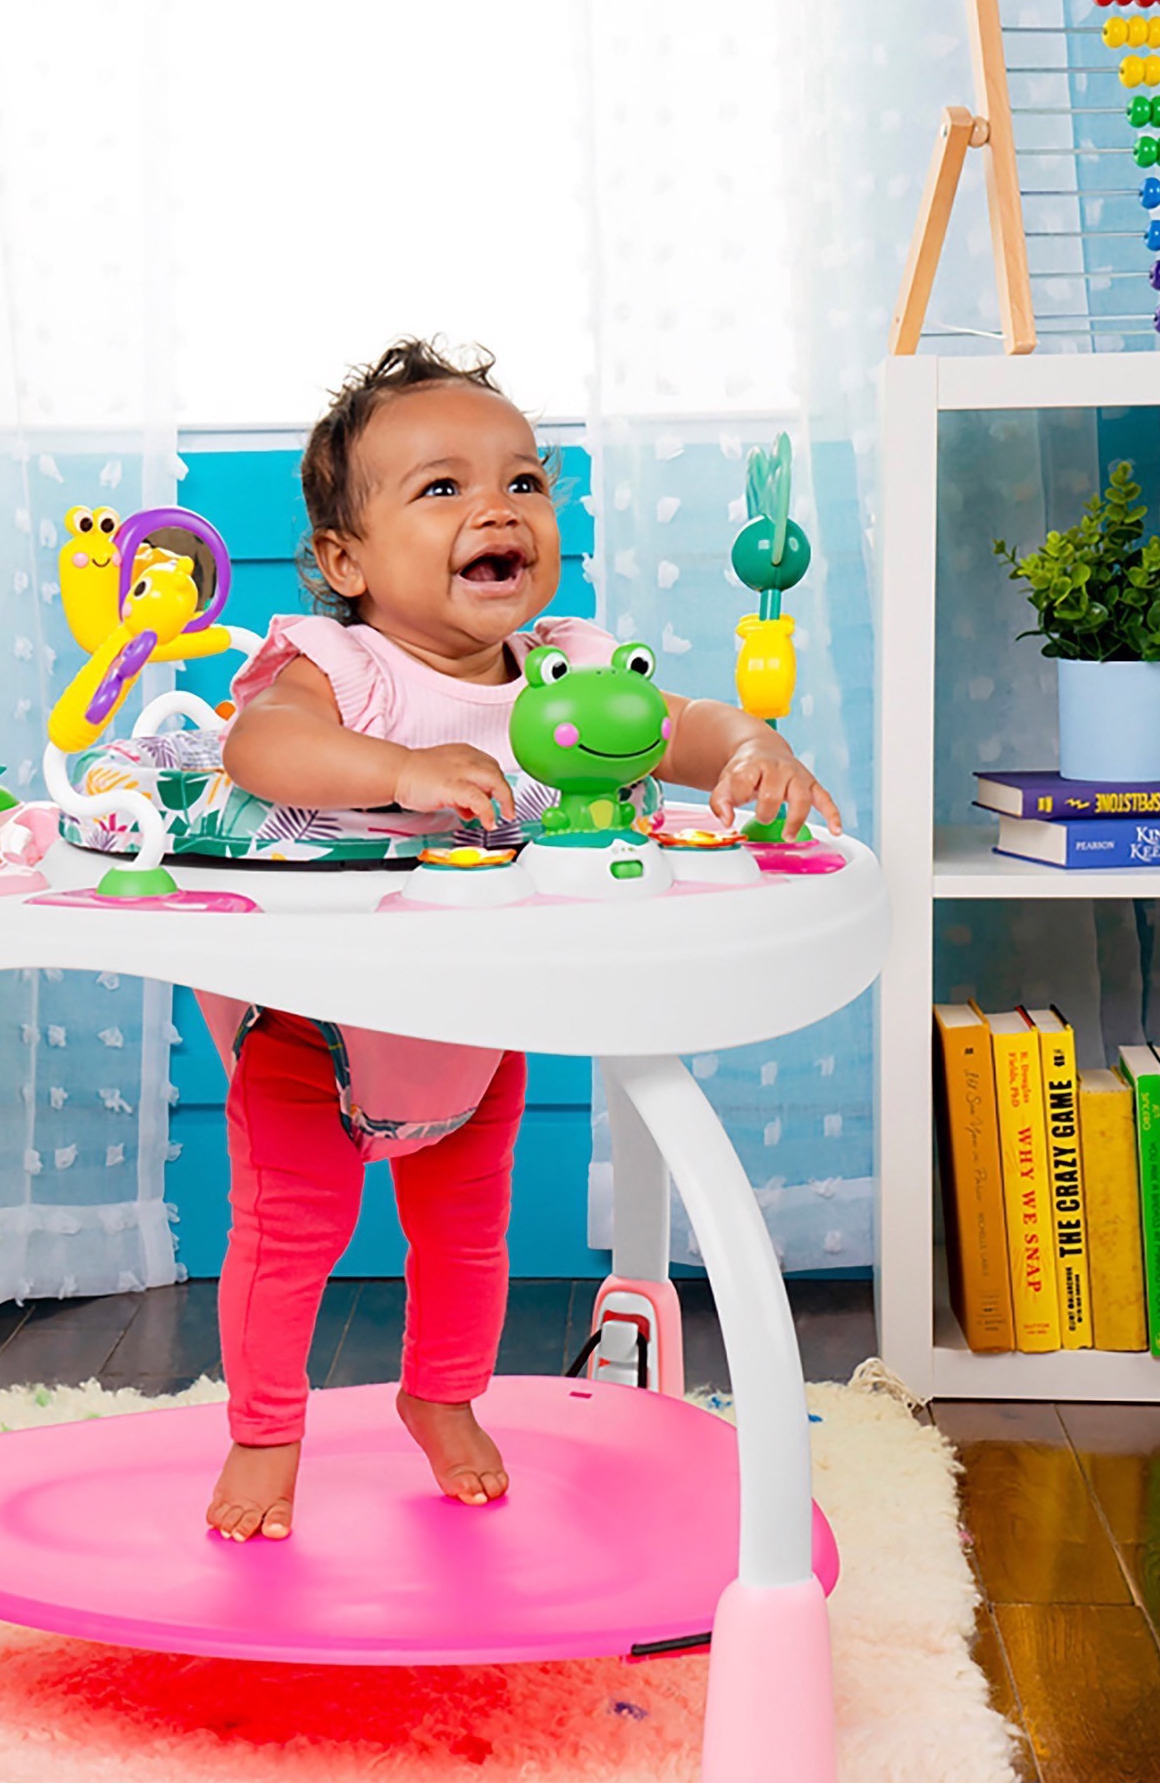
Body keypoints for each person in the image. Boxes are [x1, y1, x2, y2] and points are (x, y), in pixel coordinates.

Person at [203, 339, 840, 1540]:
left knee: (467, 1238)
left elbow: (678, 724)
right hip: (316, 1024)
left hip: (481, 1024)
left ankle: (443, 1399)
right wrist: (396, 767)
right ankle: (264, 1435)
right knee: (290, 1239)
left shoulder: (570, 669)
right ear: (346, 558)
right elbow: (259, 751)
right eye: (441, 487)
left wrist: (750, 747)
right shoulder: (341, 666)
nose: (496, 506)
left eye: (524, 481)